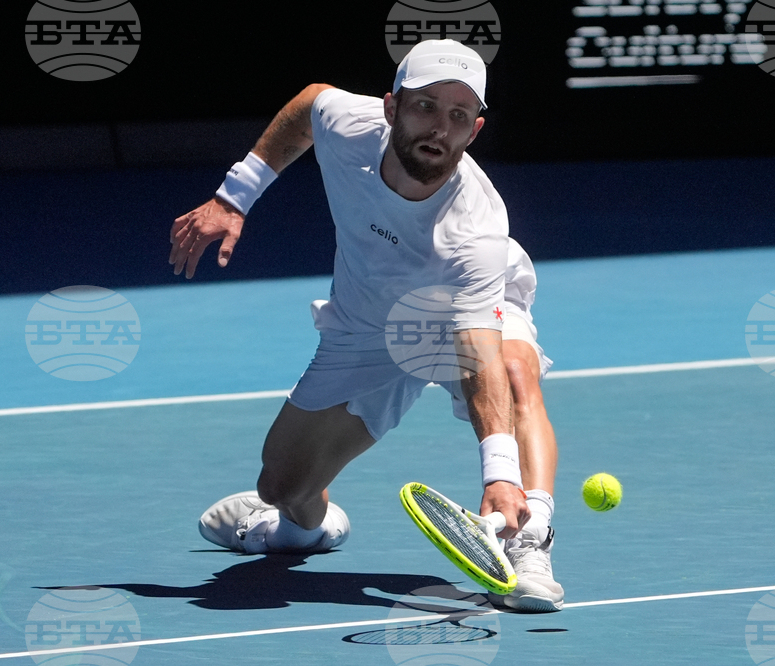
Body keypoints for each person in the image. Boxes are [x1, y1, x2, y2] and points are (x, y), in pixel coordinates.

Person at [170, 40, 563, 611]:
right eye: (425, 106)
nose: (439, 128)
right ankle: (303, 529)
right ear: (390, 107)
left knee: (512, 368)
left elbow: (476, 352)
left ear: (473, 131)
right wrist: (234, 197)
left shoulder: (477, 230)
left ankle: (530, 535)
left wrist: (497, 474)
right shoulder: (348, 125)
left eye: (458, 116)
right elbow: (309, 105)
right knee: (280, 486)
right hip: (367, 327)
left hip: (465, 310)